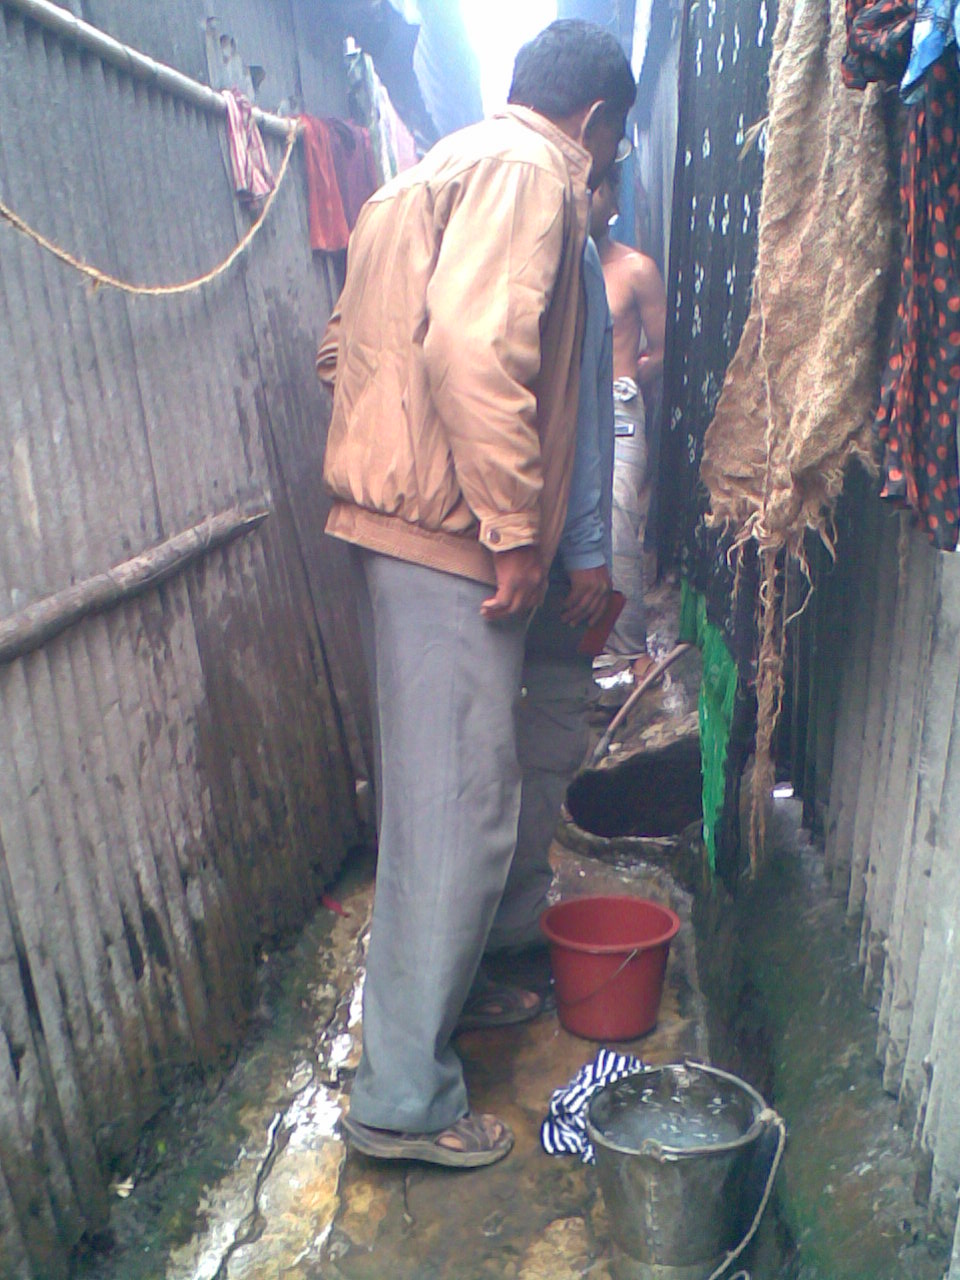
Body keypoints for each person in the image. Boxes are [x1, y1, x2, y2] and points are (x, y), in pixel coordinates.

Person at [316, 20, 635, 1169]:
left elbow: (345, 349)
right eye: (615, 149)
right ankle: (401, 1098)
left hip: (412, 523)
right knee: (454, 809)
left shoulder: (430, 169)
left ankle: (449, 1004)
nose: (608, 174)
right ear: (597, 123)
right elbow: (468, 352)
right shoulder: (528, 173)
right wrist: (507, 525)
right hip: (450, 535)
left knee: (459, 792)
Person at [485, 233, 615, 958]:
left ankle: (501, 921)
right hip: (545, 545)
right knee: (551, 723)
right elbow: (582, 424)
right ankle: (508, 930)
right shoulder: (574, 252)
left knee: (496, 735)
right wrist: (588, 551)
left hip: (462, 540)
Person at [590, 164, 667, 678]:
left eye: (597, 185)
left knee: (618, 520)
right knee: (577, 530)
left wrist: (633, 377)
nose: (587, 196)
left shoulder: (636, 268)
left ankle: (630, 648)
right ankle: (588, 651)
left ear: (613, 195)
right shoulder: (553, 266)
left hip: (618, 407)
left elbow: (663, 350)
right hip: (571, 414)